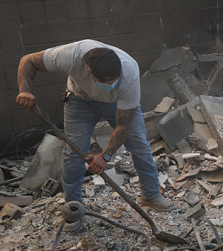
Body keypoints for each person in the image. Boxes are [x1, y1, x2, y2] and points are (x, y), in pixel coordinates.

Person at [16, 40, 175, 211]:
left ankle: (151, 195)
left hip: (117, 102)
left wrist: (105, 156)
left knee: (139, 144)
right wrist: (25, 90)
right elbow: (28, 60)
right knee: (74, 154)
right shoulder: (70, 55)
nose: (109, 86)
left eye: (113, 81)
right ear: (89, 70)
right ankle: (73, 207)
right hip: (80, 101)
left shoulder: (130, 73)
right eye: (104, 82)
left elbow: (123, 126)